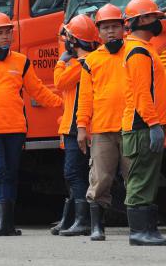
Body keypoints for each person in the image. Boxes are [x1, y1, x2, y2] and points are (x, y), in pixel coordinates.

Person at [0, 11, 62, 237]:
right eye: (0, 32)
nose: (5, 36)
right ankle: (2, 223)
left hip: (16, 128)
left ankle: (7, 223)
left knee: (10, 173)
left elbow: (38, 91)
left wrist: (63, 103)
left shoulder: (21, 61)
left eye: (8, 32)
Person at [121, 0, 166, 246]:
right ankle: (139, 232)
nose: (158, 22)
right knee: (141, 178)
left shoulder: (143, 47)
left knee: (147, 177)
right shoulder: (138, 51)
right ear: (142, 20)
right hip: (142, 126)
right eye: (155, 18)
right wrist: (153, 124)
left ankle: (148, 230)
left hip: (146, 124)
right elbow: (143, 93)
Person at [76, 4, 130, 241]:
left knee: (135, 177)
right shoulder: (91, 61)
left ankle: (141, 226)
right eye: (106, 28)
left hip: (131, 127)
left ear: (124, 29)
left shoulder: (134, 52)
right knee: (100, 179)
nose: (111, 32)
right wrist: (81, 127)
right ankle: (97, 226)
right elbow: (85, 98)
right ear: (98, 32)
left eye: (115, 27)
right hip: (101, 129)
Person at [52, 15, 99, 237]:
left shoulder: (82, 63)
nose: (66, 42)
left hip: (77, 126)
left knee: (74, 173)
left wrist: (61, 61)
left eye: (68, 38)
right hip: (75, 124)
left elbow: (59, 82)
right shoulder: (88, 60)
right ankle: (71, 219)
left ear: (74, 41)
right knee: (75, 173)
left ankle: (82, 221)